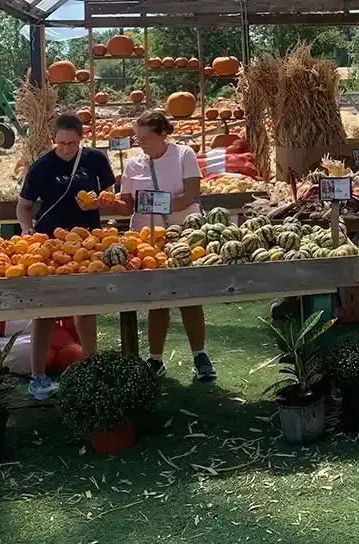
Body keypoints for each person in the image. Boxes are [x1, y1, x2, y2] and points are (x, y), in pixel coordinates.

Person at [16, 112, 116, 400]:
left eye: (72, 143)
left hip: (88, 241)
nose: (66, 149)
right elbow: (24, 207)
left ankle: (91, 366)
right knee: (45, 309)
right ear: (53, 140)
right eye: (60, 143)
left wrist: (100, 202)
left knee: (86, 305)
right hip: (50, 244)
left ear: (81, 139)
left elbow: (111, 194)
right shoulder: (42, 166)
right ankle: (38, 376)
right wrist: (26, 231)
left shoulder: (95, 159)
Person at [118, 110, 216, 382]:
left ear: (163, 134)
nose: (140, 142)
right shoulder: (133, 163)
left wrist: (159, 205)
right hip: (146, 236)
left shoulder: (184, 155)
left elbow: (191, 194)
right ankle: (155, 359)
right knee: (156, 298)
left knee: (189, 294)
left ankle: (200, 355)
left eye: (146, 137)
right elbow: (127, 201)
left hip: (183, 233)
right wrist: (105, 202)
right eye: (137, 137)